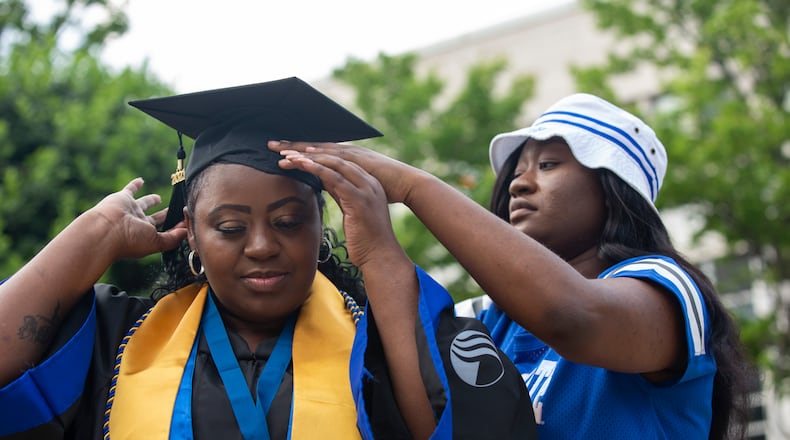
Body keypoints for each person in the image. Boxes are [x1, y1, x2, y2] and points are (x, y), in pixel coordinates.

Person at [0, 78, 537, 439]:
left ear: (321, 228)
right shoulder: (115, 339)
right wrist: (94, 234)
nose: (261, 245)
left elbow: (449, 425)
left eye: (287, 221)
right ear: (192, 237)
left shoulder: (380, 336)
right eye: (230, 227)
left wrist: (380, 253)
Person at [270, 92, 754, 439]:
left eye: (547, 166)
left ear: (614, 191)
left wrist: (415, 187)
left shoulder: (668, 290)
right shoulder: (485, 317)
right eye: (517, 171)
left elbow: (574, 317)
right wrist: (377, 250)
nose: (519, 185)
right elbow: (431, 418)